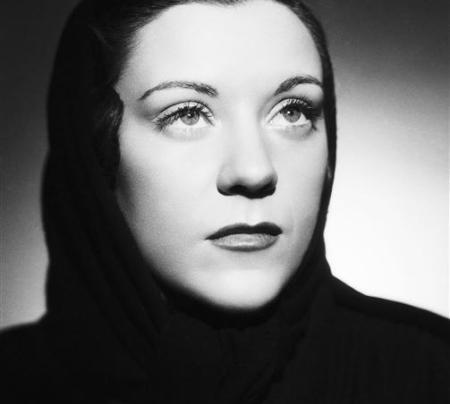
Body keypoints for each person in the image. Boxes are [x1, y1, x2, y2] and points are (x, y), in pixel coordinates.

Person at [1, 0, 448, 403]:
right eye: (187, 114)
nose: (254, 171)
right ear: (93, 151)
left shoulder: (430, 374)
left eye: (292, 111)